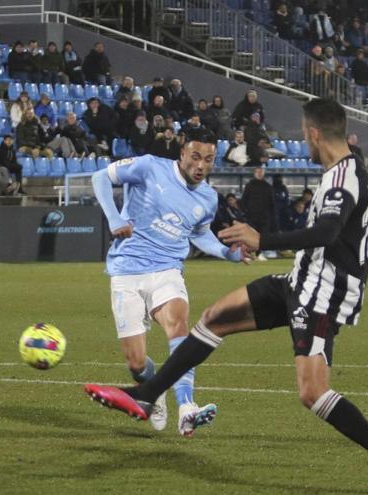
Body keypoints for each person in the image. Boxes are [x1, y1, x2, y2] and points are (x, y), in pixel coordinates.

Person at [85, 99, 368, 495]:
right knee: (214, 318)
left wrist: (264, 240)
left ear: (313, 133)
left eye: (303, 133)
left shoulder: (344, 176)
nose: (303, 141)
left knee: (312, 392)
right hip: (301, 280)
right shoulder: (343, 172)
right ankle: (146, 395)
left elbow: (328, 233)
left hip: (321, 294)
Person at [89, 131, 246, 436]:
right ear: (183, 153)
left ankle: (187, 408)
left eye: (209, 160)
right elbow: (100, 177)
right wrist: (113, 219)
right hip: (127, 269)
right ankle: (152, 389)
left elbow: (199, 234)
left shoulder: (208, 197)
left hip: (167, 269)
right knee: (136, 363)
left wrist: (227, 253)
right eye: (196, 157)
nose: (202, 165)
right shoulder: (149, 166)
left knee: (179, 326)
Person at [240, 166, 277, 247]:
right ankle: (252, 252)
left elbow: (272, 204)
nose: (259, 173)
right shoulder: (249, 185)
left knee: (263, 236)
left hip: (264, 217)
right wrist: (245, 213)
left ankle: (261, 253)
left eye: (261, 171)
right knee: (251, 236)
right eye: (258, 171)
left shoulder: (268, 187)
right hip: (251, 216)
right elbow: (244, 200)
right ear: (254, 173)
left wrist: (272, 217)